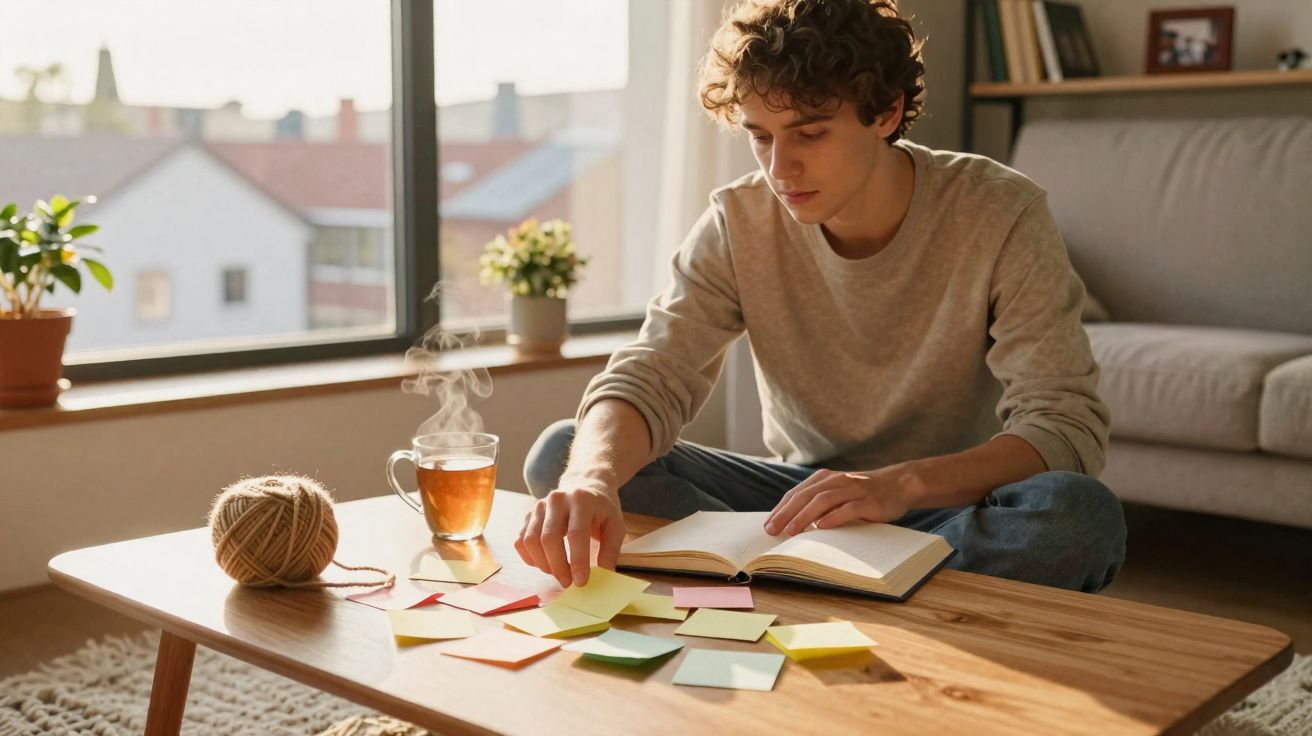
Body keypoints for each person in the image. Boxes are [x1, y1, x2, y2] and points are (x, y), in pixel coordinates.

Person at [515, 0, 1125, 595]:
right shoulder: (738, 220)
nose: (781, 168)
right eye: (761, 137)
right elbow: (653, 373)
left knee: (1077, 516)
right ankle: (874, 584)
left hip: (947, 506)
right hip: (796, 504)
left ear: (885, 112)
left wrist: (898, 486)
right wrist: (592, 479)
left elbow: (1062, 426)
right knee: (564, 457)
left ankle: (805, 581)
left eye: (809, 133)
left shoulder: (1000, 211)